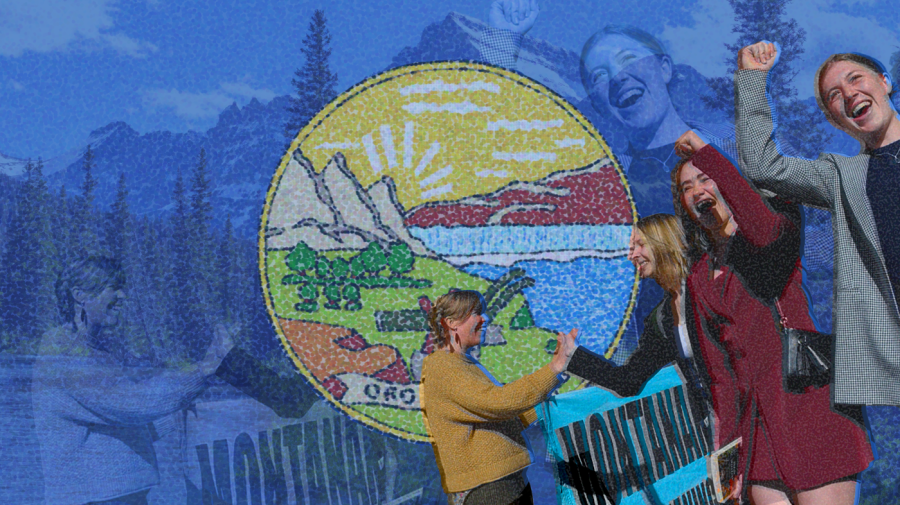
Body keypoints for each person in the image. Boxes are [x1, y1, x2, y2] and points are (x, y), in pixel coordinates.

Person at [672, 131, 873, 504]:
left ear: (727, 183)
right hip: (757, 429)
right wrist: (729, 459)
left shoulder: (772, 231)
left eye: (705, 178)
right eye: (687, 187)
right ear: (683, 203)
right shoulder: (698, 278)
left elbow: (762, 232)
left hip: (809, 407)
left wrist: (707, 153)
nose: (698, 190)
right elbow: (721, 378)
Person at [732, 41, 900, 407]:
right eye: (835, 96)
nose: (850, 93)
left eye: (856, 79)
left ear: (884, 82)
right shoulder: (843, 177)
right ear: (834, 118)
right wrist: (751, 79)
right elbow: (764, 167)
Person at [31, 256, 234, 505]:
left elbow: (134, 421)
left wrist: (187, 404)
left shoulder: (104, 347)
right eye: (113, 287)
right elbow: (131, 404)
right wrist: (203, 370)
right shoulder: (61, 348)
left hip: (125, 497)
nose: (123, 295)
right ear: (80, 295)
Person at [420, 290, 577, 505]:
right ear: (451, 323)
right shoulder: (444, 367)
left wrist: (557, 378)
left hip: (501, 487)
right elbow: (499, 403)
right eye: (475, 313)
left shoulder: (463, 364)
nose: (484, 319)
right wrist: (553, 368)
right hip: (490, 492)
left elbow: (504, 415)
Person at [566, 213, 711, 425]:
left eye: (639, 245)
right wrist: (572, 356)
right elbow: (628, 381)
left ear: (663, 241)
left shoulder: (712, 285)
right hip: (719, 425)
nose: (631, 255)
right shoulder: (662, 319)